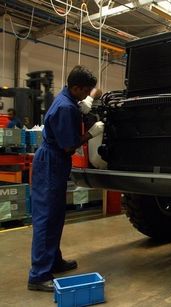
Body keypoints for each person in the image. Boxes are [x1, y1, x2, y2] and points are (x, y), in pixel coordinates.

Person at [28, 65, 104, 292]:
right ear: (76, 87)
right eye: (86, 91)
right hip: (51, 162)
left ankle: (53, 261)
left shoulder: (68, 101)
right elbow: (69, 145)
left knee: (57, 215)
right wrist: (91, 133)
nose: (87, 94)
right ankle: (38, 275)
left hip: (55, 162)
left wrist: (83, 108)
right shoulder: (65, 108)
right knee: (46, 218)